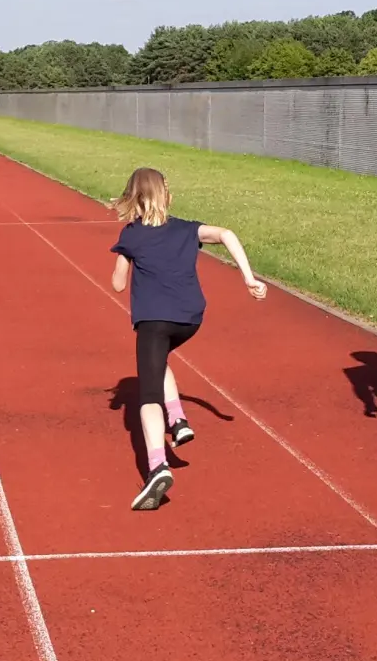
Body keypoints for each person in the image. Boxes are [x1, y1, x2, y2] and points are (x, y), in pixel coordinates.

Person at [109, 167, 266, 511]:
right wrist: (249, 278)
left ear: (133, 196)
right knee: (160, 359)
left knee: (148, 395)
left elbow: (118, 285)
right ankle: (178, 419)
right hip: (190, 319)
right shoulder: (186, 228)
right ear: (166, 195)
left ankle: (157, 466)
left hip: (154, 320)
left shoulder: (131, 234)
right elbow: (226, 234)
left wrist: (125, 259)